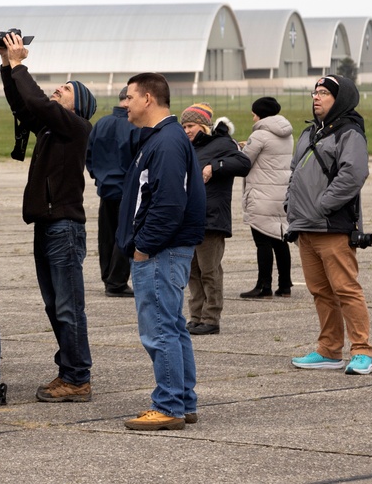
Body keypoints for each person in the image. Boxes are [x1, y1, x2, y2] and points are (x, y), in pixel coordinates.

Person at [0, 32, 96, 403]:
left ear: (78, 104)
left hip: (64, 228)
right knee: (56, 305)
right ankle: (70, 371)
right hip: (48, 225)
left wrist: (21, 63)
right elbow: (24, 107)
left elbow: (38, 102)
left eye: (66, 89)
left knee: (68, 306)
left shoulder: (76, 127)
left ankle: (78, 378)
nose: (58, 89)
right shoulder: (54, 129)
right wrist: (8, 65)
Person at [117, 72, 205, 430]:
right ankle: (183, 401)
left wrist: (143, 248)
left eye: (130, 97)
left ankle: (168, 405)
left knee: (160, 329)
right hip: (164, 249)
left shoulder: (167, 142)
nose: (125, 104)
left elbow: (169, 204)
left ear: (149, 99)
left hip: (160, 251)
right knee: (172, 326)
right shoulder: (162, 138)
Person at [287, 75, 372, 375]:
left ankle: (362, 351)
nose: (317, 97)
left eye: (324, 93)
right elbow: (294, 173)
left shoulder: (349, 132)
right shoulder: (310, 132)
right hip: (305, 227)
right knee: (321, 292)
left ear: (341, 99)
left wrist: (322, 205)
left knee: (346, 289)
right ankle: (329, 350)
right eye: (315, 92)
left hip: (332, 226)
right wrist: (292, 207)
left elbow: (353, 174)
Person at [180, 103, 250, 335]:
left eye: (190, 125)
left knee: (209, 270)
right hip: (189, 219)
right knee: (193, 272)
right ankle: (196, 315)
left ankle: (211, 318)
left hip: (211, 218)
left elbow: (243, 163)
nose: (186, 130)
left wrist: (215, 166)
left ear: (203, 126)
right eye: (184, 126)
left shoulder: (222, 143)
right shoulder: (188, 147)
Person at [238, 97, 295, 299]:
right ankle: (285, 285)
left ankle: (264, 286)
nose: (252, 116)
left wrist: (239, 148)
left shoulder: (260, 134)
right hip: (280, 194)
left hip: (262, 195)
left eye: (254, 112)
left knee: (262, 241)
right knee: (280, 240)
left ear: (260, 113)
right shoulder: (286, 134)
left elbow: (244, 162)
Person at [86, 87, 137, 298]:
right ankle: (117, 282)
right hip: (127, 188)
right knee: (124, 235)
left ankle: (108, 277)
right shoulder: (134, 126)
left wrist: (98, 177)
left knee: (106, 235)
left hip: (105, 187)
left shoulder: (101, 123)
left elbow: (89, 155)